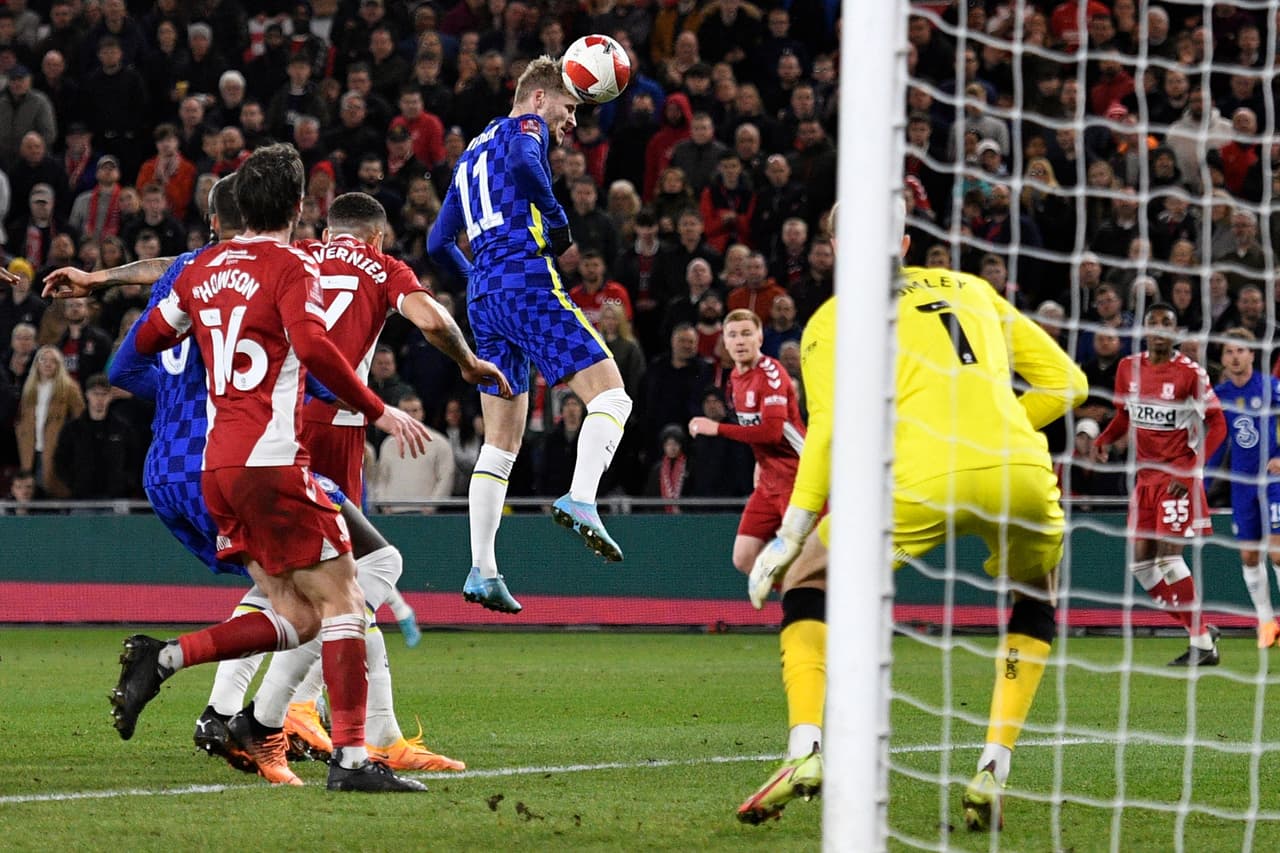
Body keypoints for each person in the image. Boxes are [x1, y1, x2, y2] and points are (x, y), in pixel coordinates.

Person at [740, 202, 1089, 833]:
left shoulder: (832, 322)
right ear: (902, 240)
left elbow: (824, 440)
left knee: (808, 580)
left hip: (917, 477)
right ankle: (992, 766)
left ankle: (805, 751)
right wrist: (999, 427)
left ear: (838, 248)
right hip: (1021, 472)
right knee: (1038, 593)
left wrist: (790, 534)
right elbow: (1069, 385)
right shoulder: (974, 290)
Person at [101, 145, 432, 793]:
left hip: (215, 468)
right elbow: (313, 343)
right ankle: (353, 760)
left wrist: (177, 372)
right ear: (299, 207)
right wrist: (377, 408)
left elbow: (139, 347)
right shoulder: (293, 264)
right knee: (347, 595)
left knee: (297, 612)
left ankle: (168, 660)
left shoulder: (202, 271)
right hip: (273, 459)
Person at [428, 56, 634, 614]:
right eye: (568, 109)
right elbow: (524, 158)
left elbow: (435, 241)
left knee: (501, 443)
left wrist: (480, 280)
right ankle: (583, 498)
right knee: (612, 394)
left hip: (483, 299)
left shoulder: (470, 152)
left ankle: (482, 568)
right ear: (539, 98)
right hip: (526, 276)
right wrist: (555, 215)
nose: (570, 123)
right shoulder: (526, 128)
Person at [1092, 303, 1226, 666]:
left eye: (1167, 324)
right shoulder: (1127, 368)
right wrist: (1103, 440)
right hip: (1145, 479)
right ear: (1144, 330)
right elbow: (1123, 416)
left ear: (1176, 331)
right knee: (1142, 568)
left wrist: (1190, 473)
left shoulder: (1189, 373)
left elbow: (1218, 425)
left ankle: (1201, 645)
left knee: (1169, 558)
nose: (1159, 329)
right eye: (1153, 323)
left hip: (1177, 475)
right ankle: (1199, 630)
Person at [688, 309, 804, 576]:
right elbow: (757, 429)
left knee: (804, 560)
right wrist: (759, 462)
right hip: (768, 480)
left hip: (798, 477)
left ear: (760, 337)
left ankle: (812, 607)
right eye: (733, 335)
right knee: (744, 558)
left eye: (746, 334)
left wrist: (716, 428)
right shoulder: (736, 378)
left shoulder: (771, 375)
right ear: (725, 343)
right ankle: (798, 598)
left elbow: (772, 433)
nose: (740, 341)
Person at [1208, 328, 1280, 648]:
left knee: (1277, 552)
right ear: (1223, 360)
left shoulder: (1271, 387)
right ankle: (1266, 623)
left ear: (1252, 354)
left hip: (1274, 480)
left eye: (1241, 351)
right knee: (1249, 555)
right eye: (1229, 352)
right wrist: (1203, 484)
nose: (1235, 357)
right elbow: (1215, 442)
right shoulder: (1219, 395)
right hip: (1242, 483)